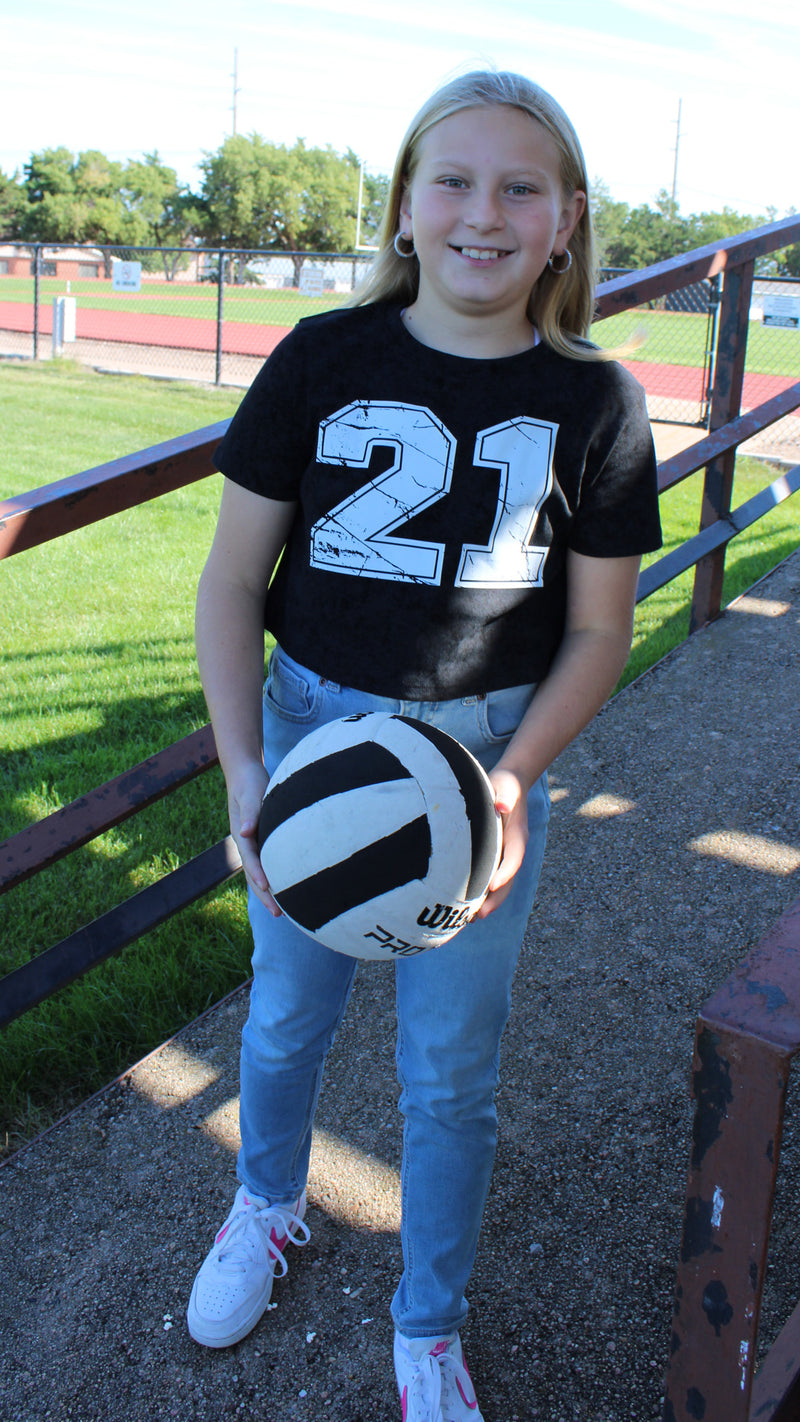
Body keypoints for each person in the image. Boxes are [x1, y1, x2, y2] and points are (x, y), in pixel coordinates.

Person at [187, 68, 661, 1422]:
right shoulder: (322, 358)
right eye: (453, 180)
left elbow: (599, 630)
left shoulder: (598, 402)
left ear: (566, 222)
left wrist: (510, 782)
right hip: (312, 743)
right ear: (403, 205)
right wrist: (246, 772)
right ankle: (266, 1202)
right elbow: (230, 582)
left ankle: (430, 1319)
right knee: (284, 1014)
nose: (483, 214)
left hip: (481, 766)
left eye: (521, 188)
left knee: (450, 1070)